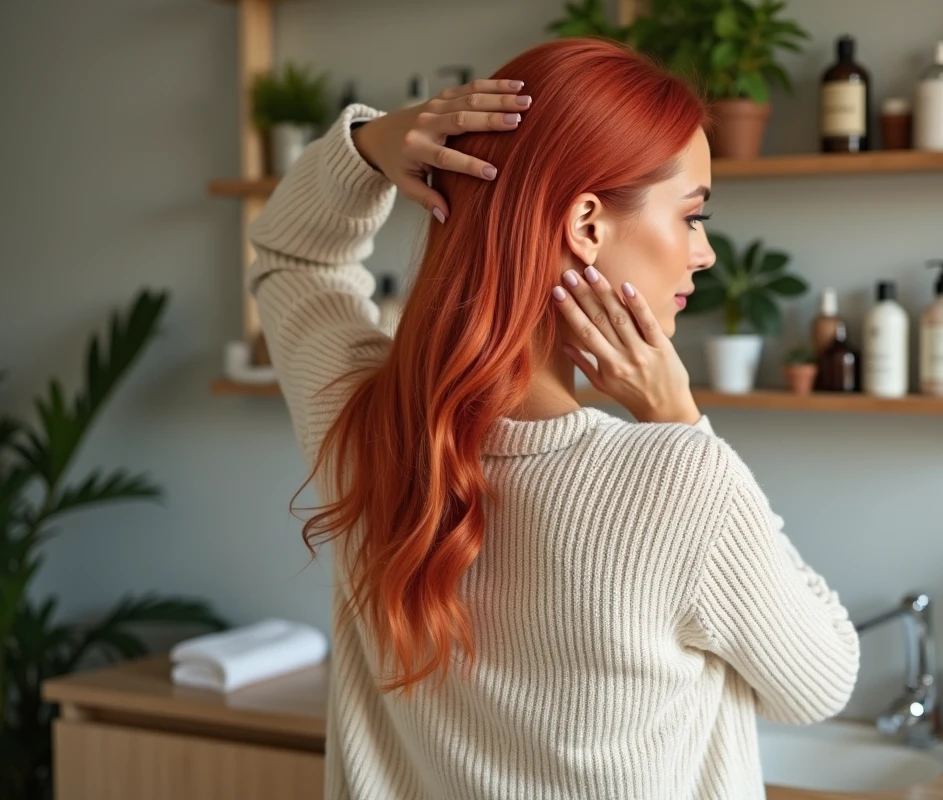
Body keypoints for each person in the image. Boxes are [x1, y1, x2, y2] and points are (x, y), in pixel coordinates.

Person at [247, 37, 859, 800]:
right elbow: (821, 683)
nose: (703, 253)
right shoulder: (681, 476)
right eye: (692, 215)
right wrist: (678, 418)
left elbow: (294, 262)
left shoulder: (363, 421)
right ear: (587, 224)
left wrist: (370, 145)